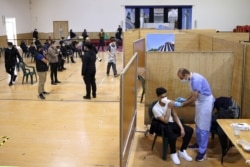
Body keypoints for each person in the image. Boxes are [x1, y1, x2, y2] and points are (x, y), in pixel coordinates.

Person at [175, 68, 214, 161]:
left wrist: (182, 104)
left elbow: (193, 99)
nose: (182, 80)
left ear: (186, 75)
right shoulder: (191, 78)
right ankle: (198, 144)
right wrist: (185, 99)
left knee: (203, 127)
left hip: (206, 103)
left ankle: (202, 151)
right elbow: (193, 93)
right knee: (198, 123)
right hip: (200, 102)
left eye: (181, 78)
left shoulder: (196, 80)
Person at [151, 87, 193, 165]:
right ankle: (173, 153)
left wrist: (182, 128)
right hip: (163, 125)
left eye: (165, 96)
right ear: (158, 97)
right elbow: (165, 121)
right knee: (172, 135)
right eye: (162, 97)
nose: (165, 98)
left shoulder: (168, 102)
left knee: (189, 130)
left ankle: (182, 151)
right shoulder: (155, 108)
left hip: (172, 123)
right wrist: (169, 108)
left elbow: (175, 116)